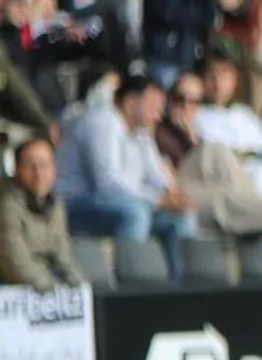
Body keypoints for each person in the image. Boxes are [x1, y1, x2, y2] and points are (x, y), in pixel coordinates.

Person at [54, 75, 197, 278]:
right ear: (130, 104)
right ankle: (132, 289)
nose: (158, 115)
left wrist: (172, 196)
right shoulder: (103, 121)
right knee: (135, 213)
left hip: (113, 204)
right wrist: (158, 199)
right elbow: (107, 184)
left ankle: (178, 290)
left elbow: (156, 177)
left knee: (181, 218)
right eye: (153, 106)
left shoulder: (142, 133)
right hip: (72, 205)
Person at [0, 137, 84, 289]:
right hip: (12, 285)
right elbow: (13, 257)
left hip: (43, 280)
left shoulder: (55, 204)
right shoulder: (6, 202)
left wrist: (79, 285)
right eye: (31, 166)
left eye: (44, 165)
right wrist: (49, 286)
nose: (38, 173)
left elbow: (62, 252)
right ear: (17, 169)